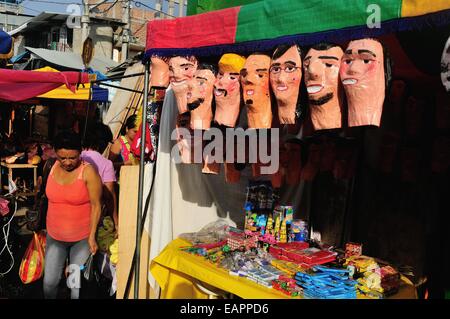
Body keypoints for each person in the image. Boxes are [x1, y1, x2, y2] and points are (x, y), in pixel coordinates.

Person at [43, 130, 102, 299]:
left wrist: (92, 236)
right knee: (49, 283)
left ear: (80, 152)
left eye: (73, 157)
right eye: (63, 157)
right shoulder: (50, 167)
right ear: (55, 152)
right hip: (54, 236)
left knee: (75, 287)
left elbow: (97, 205)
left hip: (81, 240)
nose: (67, 162)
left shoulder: (88, 172)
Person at [81, 123, 118, 232]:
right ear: (104, 143)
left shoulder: (76, 158)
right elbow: (109, 195)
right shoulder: (106, 164)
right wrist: (115, 221)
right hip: (93, 218)